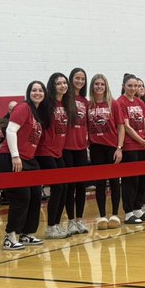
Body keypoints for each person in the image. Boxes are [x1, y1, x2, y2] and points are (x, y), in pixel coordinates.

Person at [0, 81, 46, 250]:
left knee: (35, 195)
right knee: (21, 197)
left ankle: (27, 233)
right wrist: (15, 156)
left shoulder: (37, 113)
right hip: (11, 156)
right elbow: (10, 131)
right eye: (34, 90)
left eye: (40, 90)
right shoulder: (23, 107)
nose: (37, 93)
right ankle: (10, 235)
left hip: (28, 159)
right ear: (28, 92)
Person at [113, 75, 145, 224]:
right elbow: (126, 126)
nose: (133, 89)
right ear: (124, 86)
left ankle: (138, 208)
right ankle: (129, 212)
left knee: (143, 178)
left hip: (144, 145)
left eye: (135, 86)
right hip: (131, 146)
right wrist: (142, 141)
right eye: (129, 86)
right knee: (130, 180)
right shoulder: (120, 102)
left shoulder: (140, 102)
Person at [35, 72, 73, 240]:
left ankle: (56, 225)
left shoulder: (65, 103)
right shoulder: (46, 104)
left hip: (58, 151)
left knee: (64, 188)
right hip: (45, 151)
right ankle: (51, 227)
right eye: (59, 83)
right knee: (57, 187)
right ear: (52, 86)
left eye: (65, 83)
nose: (63, 86)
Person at [86, 74, 122, 227]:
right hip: (95, 148)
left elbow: (121, 127)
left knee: (114, 182)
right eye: (96, 84)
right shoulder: (88, 105)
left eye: (102, 84)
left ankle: (114, 215)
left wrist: (119, 148)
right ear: (92, 86)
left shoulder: (113, 104)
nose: (99, 86)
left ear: (106, 86)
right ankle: (102, 216)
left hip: (112, 147)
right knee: (100, 183)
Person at [63, 68, 91, 235]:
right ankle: (71, 221)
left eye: (82, 78)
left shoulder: (85, 101)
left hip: (81, 147)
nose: (80, 81)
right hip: (67, 148)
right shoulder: (66, 99)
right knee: (70, 186)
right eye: (77, 78)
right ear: (71, 79)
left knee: (82, 186)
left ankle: (79, 220)